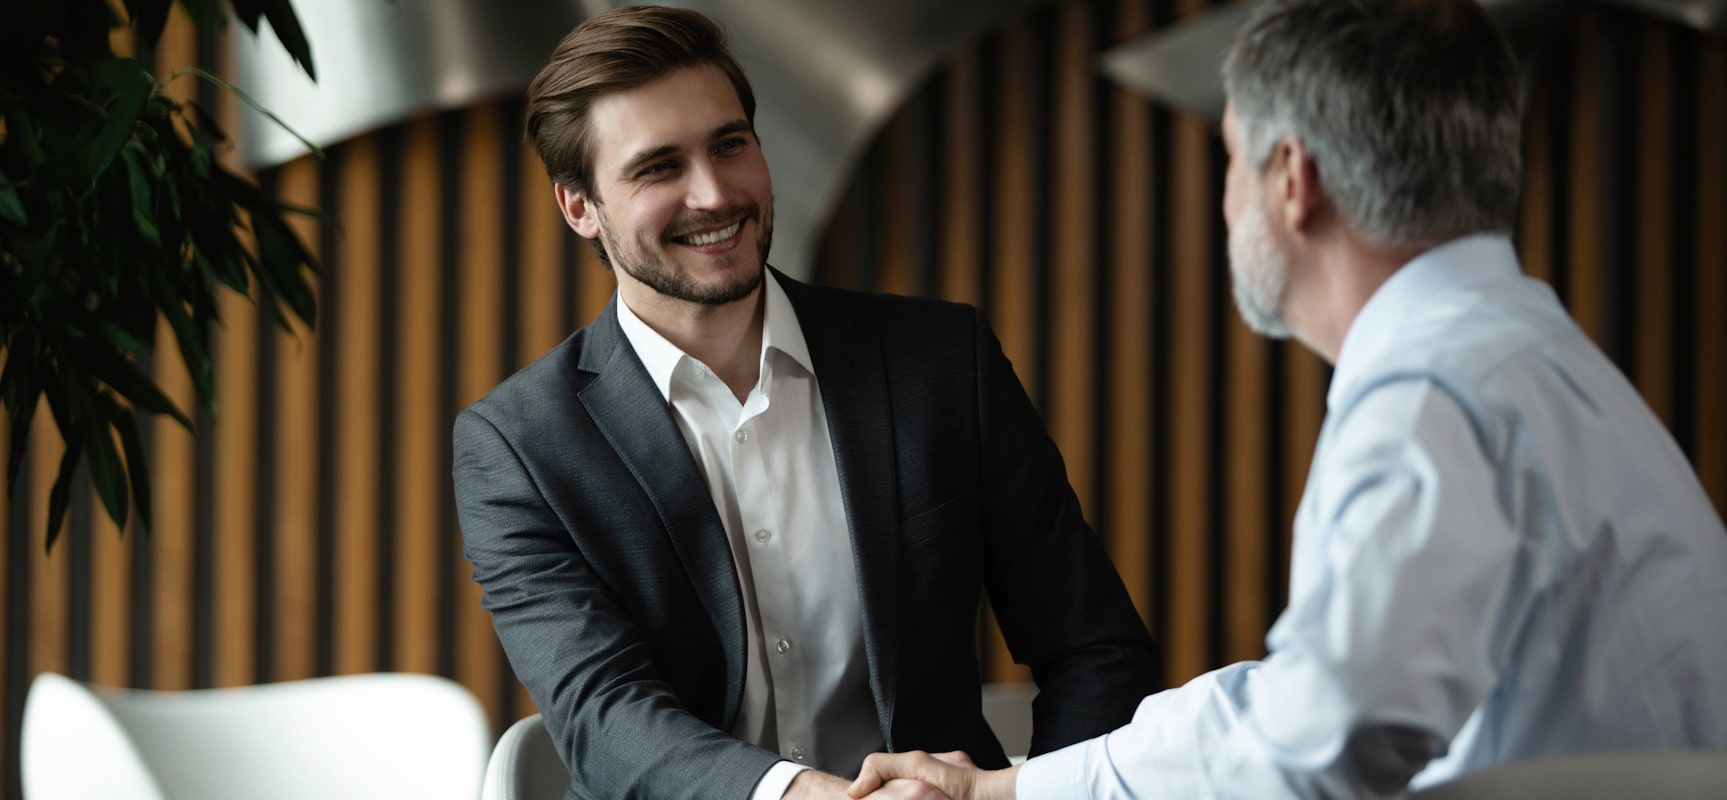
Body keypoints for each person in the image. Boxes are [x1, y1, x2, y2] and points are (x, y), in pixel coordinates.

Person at [846, 1, 1727, 798]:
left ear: (1291, 180)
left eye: (1231, 158)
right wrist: (1005, 790)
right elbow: (1312, 701)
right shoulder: (1538, 359)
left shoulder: (1427, 397)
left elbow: (1312, 749)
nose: (1226, 199)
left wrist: (1003, 794)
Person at [449, 6, 1161, 800]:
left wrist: (1037, 799)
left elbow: (1094, 646)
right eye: (658, 168)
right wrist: (798, 795)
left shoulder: (938, 363)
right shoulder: (518, 446)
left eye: (730, 144)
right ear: (579, 206)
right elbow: (602, 714)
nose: (714, 193)